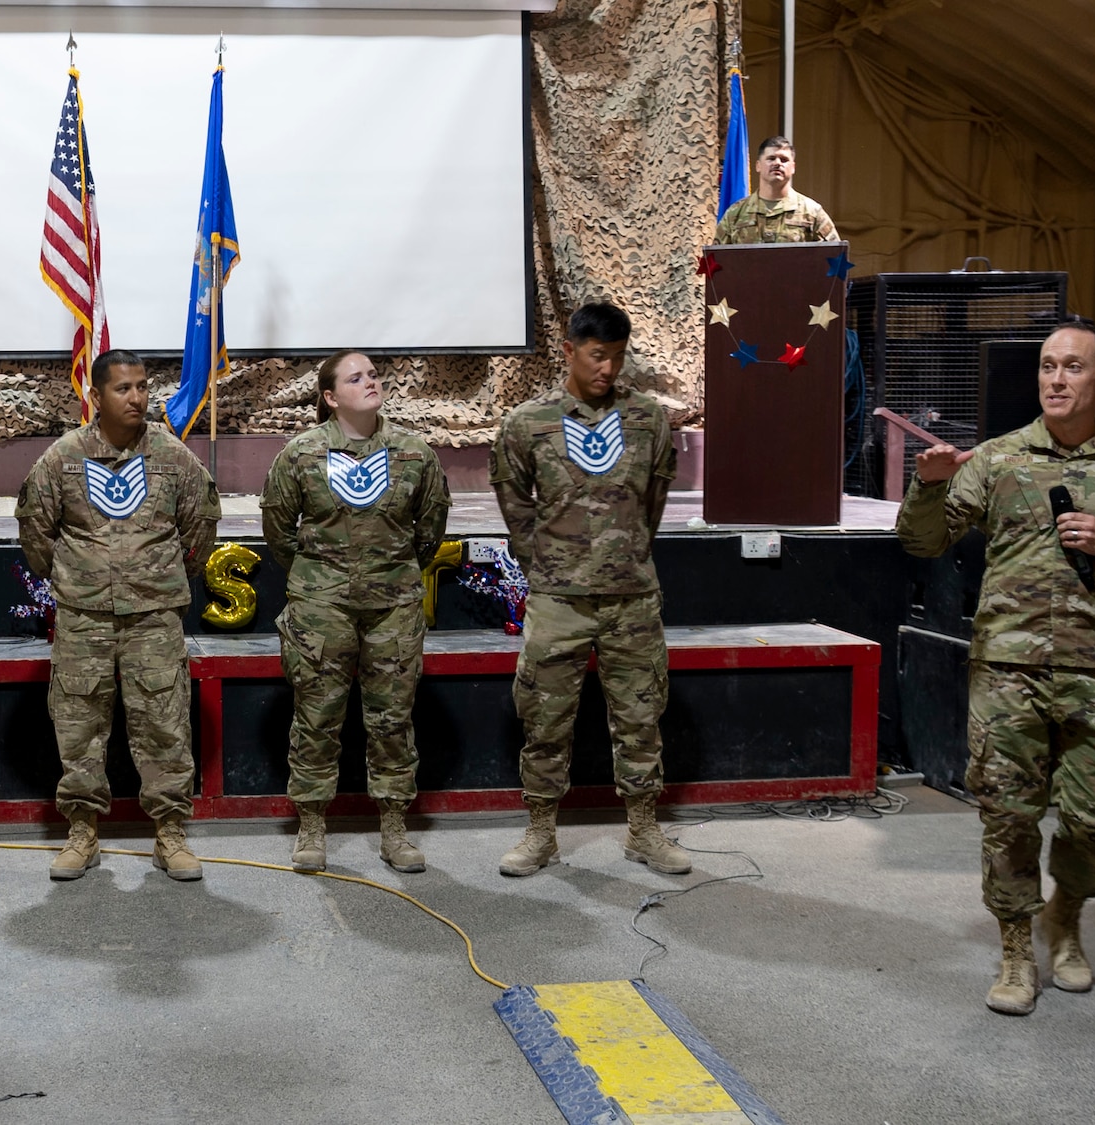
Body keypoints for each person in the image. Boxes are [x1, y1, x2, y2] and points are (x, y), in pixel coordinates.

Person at [898, 321, 1095, 1016]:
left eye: (1073, 368)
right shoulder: (997, 461)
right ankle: (1016, 949)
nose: (1056, 379)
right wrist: (929, 486)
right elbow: (923, 540)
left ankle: (1066, 912)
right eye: (1047, 367)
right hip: (1007, 669)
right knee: (1009, 818)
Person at [486, 302, 688, 878]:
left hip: (632, 597)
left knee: (640, 716)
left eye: (618, 358)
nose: (608, 369)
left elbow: (652, 506)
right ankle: (541, 833)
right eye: (598, 356)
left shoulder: (648, 419)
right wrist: (549, 565)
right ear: (570, 349)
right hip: (558, 600)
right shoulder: (529, 422)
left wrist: (621, 557)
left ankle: (644, 830)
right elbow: (515, 507)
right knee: (545, 718)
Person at [15, 350, 220, 881]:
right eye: (123, 389)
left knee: (164, 724)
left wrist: (158, 577)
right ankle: (82, 832)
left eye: (142, 387)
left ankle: (170, 834)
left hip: (154, 618)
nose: (136, 398)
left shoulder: (173, 459)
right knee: (79, 725)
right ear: (96, 396)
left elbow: (201, 526)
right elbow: (37, 533)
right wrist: (80, 579)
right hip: (84, 619)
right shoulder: (62, 460)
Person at [260, 351, 450, 873]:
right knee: (317, 718)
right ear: (329, 396)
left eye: (372, 374)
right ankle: (312, 826)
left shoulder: (413, 454)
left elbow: (430, 528)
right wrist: (319, 579)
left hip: (393, 607)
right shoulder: (300, 454)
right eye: (355, 377)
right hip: (321, 609)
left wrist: (391, 572)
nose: (371, 381)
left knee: (391, 720)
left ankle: (393, 828)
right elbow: (278, 529)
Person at [714, 135, 840, 245]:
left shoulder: (811, 212)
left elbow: (835, 259)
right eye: (771, 158)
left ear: (793, 167)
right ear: (758, 166)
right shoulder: (735, 214)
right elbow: (716, 261)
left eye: (784, 160)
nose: (777, 163)